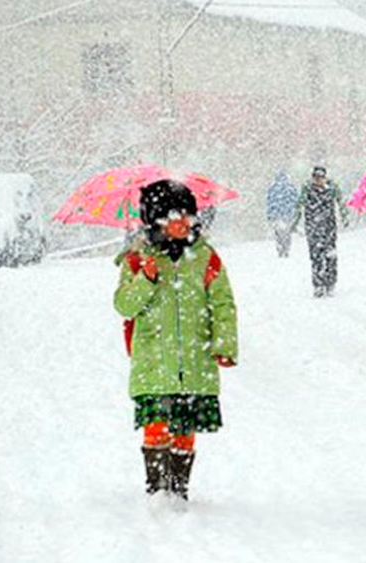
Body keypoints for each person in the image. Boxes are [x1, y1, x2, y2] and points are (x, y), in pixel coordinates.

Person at [114, 180, 238, 502]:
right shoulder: (137, 259)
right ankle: (157, 490)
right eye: (174, 216)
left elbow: (222, 302)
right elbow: (124, 305)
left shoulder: (205, 257)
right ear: (156, 220)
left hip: (195, 361)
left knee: (184, 428)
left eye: (188, 215)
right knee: (156, 425)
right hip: (154, 364)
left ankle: (179, 489)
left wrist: (224, 344)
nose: (184, 222)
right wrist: (146, 278)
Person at [296, 166, 339, 297]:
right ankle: (318, 285)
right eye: (316, 177)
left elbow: (341, 202)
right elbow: (298, 206)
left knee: (330, 256)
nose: (319, 180)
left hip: (329, 228)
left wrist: (345, 215)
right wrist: (295, 222)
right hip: (313, 228)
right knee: (316, 257)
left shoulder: (332, 189)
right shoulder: (307, 190)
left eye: (321, 177)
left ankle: (330, 283)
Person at [266, 170, 298, 258]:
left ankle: (280, 248)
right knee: (287, 233)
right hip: (288, 215)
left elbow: (270, 202)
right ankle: (286, 248)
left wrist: (270, 214)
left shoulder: (272, 188)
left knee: (278, 233)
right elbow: (295, 201)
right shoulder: (291, 188)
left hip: (276, 215)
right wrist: (294, 213)